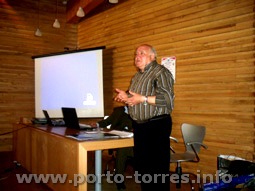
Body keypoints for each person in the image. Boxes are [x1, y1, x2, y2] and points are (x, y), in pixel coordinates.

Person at [114, 44, 174, 191]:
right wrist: (126, 97)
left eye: (142, 53)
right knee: (144, 171)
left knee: (157, 171)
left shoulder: (160, 72)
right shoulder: (136, 77)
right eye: (135, 54)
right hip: (140, 127)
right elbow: (135, 99)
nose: (137, 56)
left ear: (152, 57)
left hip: (156, 126)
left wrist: (143, 99)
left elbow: (167, 100)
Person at [91, 106, 134, 190]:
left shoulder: (138, 111)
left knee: (125, 147)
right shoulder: (119, 110)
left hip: (131, 137)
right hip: (116, 136)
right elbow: (108, 121)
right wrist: (97, 124)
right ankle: (119, 177)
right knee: (123, 148)